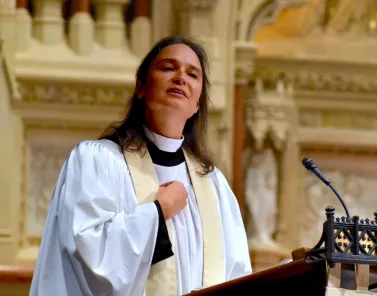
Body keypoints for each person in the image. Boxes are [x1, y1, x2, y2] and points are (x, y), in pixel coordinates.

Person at [29, 36, 252, 296]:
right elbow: (87, 251)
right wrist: (157, 213)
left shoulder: (214, 186)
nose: (180, 77)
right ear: (141, 87)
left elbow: (237, 275)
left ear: (197, 103)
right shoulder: (98, 161)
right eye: (168, 68)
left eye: (192, 74)